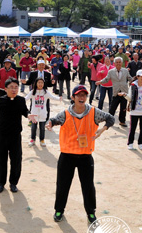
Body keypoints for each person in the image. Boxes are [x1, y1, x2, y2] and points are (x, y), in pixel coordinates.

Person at [46, 85, 115, 224]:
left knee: (88, 186)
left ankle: (91, 212)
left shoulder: (94, 112)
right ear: (73, 98)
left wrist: (103, 129)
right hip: (67, 156)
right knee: (62, 185)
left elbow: (110, 118)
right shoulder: (65, 114)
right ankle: (59, 210)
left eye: (84, 95)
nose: (82, 98)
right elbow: (54, 120)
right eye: (79, 95)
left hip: (85, 156)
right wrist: (50, 124)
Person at [96, 57, 132, 127]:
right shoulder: (111, 71)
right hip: (116, 92)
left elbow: (130, 78)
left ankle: (122, 121)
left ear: (122, 63)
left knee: (123, 108)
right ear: (114, 63)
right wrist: (100, 82)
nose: (118, 63)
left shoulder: (125, 71)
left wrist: (135, 81)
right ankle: (109, 121)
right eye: (117, 62)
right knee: (112, 107)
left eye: (119, 62)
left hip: (124, 92)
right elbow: (106, 79)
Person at [25, 78, 61, 147]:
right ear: (36, 84)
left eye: (42, 83)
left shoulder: (46, 92)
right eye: (39, 82)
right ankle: (33, 139)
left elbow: (53, 97)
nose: (40, 84)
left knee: (42, 128)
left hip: (42, 113)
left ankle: (42, 140)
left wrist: (59, 98)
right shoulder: (33, 92)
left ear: (43, 84)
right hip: (34, 113)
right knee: (33, 127)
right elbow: (26, 98)